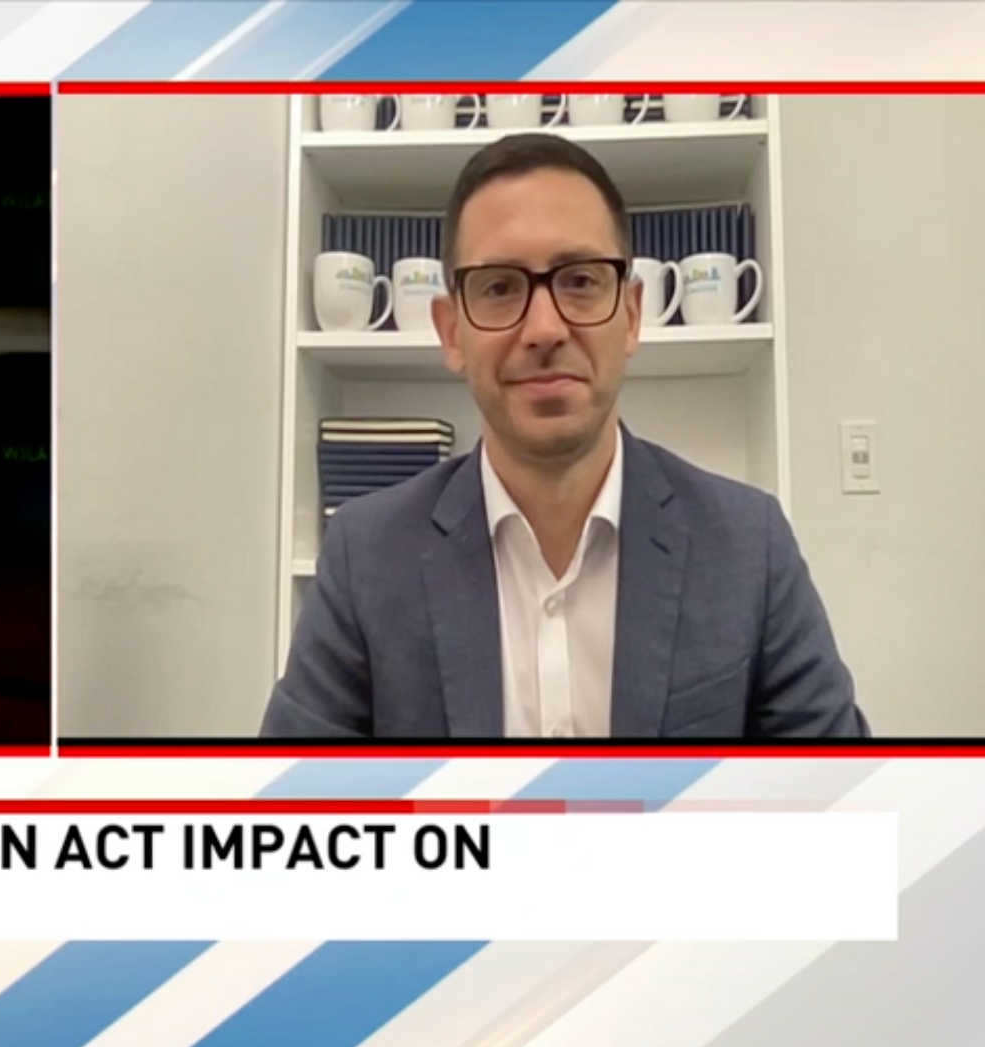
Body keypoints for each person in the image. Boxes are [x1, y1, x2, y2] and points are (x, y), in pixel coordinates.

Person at [261, 133, 869, 739]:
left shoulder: (748, 546)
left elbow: (840, 812)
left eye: (579, 281)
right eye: (499, 287)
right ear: (451, 333)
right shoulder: (365, 555)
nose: (545, 328)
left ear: (631, 316)